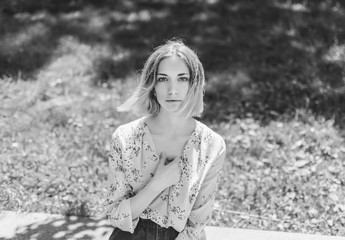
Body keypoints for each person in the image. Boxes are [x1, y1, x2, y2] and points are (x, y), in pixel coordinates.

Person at [103, 39, 226, 240]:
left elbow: (197, 224)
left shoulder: (212, 145)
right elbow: (116, 214)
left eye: (182, 78)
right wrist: (156, 185)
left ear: (194, 84)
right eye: (162, 79)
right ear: (152, 85)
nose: (172, 90)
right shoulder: (125, 138)